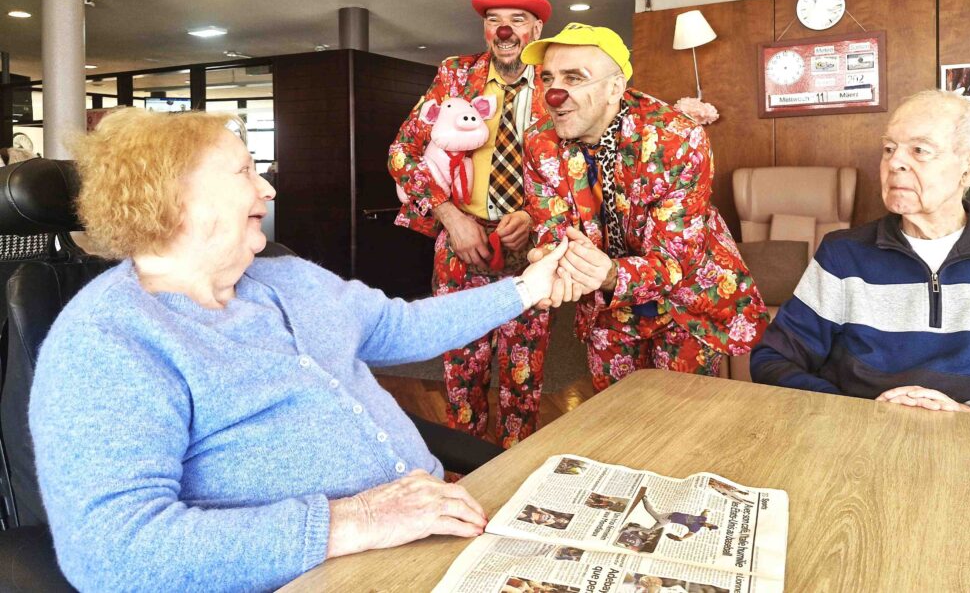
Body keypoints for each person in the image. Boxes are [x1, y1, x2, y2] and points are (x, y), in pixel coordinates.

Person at [29, 108, 574, 592]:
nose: (268, 190)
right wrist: (356, 519)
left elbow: (402, 326)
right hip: (316, 576)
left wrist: (529, 288)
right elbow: (113, 554)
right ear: (175, 198)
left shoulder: (289, 279)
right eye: (244, 171)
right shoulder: (109, 341)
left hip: (429, 534)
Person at [520, 23, 769, 390]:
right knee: (615, 420)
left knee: (683, 422)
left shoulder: (677, 138)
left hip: (685, 305)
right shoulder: (539, 142)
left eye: (574, 77)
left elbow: (674, 260)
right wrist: (552, 260)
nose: (555, 94)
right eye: (548, 78)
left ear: (615, 88)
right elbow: (554, 228)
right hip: (607, 311)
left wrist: (605, 274)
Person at [750, 90, 970, 419]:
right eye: (889, 149)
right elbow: (772, 360)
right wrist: (857, 412)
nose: (894, 163)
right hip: (860, 441)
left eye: (920, 150)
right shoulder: (843, 255)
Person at [389, 0, 553, 447]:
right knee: (462, 378)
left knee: (524, 384)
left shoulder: (557, 81)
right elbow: (403, 152)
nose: (505, 30)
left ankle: (519, 474)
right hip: (461, 247)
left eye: (518, 19)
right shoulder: (455, 76)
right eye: (494, 18)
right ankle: (468, 481)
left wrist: (537, 216)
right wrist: (449, 216)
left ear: (538, 27)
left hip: (534, 253)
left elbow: (580, 165)